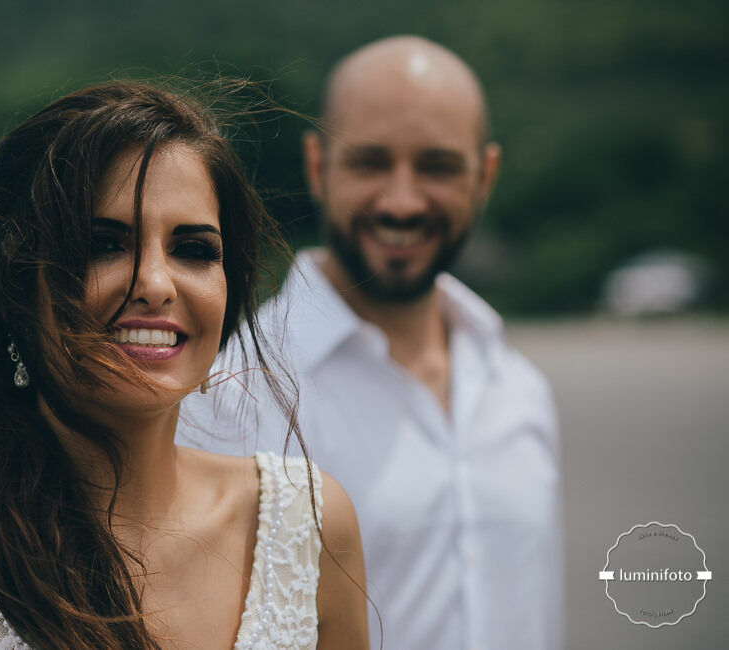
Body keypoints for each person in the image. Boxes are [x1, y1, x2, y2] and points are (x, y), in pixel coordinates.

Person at [0, 82, 369, 649]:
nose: (155, 284)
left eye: (193, 249)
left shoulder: (306, 525)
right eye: (103, 244)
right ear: (18, 283)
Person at [178, 37, 563, 649]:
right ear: (317, 167)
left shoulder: (520, 388)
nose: (402, 201)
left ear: (484, 176)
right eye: (370, 163)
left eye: (438, 166)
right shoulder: (233, 394)